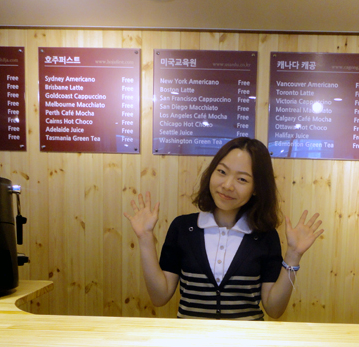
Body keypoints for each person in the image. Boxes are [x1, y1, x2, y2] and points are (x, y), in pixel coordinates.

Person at [124, 137, 323, 320]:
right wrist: (145, 238)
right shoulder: (183, 228)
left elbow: (274, 309)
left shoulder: (265, 236)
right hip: (191, 343)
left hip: (247, 344)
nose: (227, 185)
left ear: (256, 188)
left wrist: (293, 255)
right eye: (222, 172)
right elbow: (159, 297)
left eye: (242, 179)